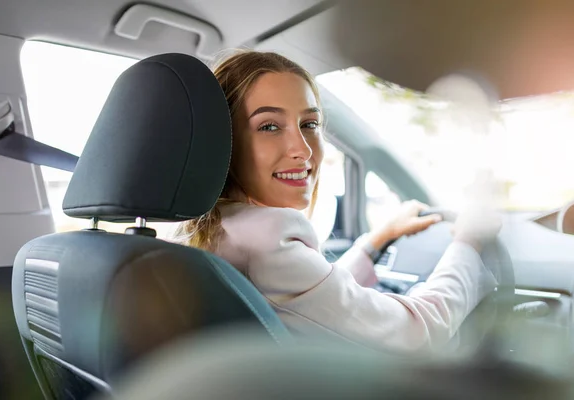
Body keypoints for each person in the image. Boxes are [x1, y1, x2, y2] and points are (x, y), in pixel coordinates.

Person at [172, 50, 500, 353]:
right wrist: (468, 246)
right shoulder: (270, 239)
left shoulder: (213, 231)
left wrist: (374, 242)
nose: (302, 149)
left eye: (309, 124)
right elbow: (416, 333)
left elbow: (309, 300)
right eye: (269, 126)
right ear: (223, 142)